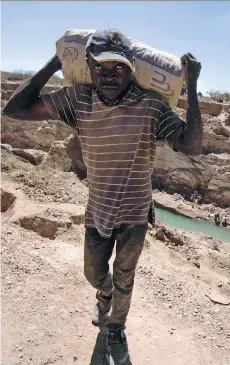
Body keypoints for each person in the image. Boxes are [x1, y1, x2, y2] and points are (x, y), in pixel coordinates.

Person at [3, 28, 203, 364]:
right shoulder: (78, 99)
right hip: (97, 209)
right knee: (94, 273)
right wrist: (56, 62)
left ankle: (115, 330)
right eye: (100, 67)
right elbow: (15, 109)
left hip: (135, 212)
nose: (109, 75)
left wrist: (193, 85)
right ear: (89, 67)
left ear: (131, 68)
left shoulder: (151, 105)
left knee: (125, 277)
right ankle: (103, 293)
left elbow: (192, 145)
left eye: (119, 68)